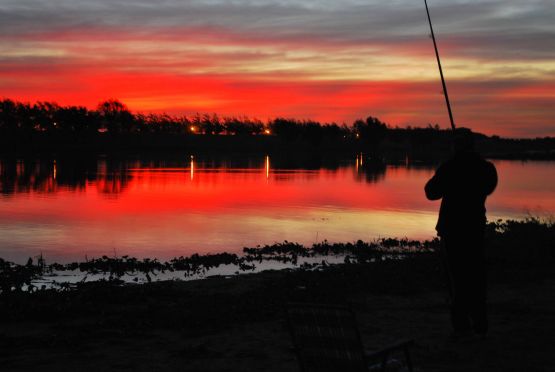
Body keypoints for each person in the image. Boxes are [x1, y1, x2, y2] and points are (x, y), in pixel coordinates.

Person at [425, 129, 498, 337]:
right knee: (476, 274)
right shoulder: (486, 168)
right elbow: (490, 186)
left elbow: (430, 192)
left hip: (453, 230)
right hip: (474, 228)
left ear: (456, 146)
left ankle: (462, 325)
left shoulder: (449, 168)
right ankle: (480, 322)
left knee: (457, 277)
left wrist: (448, 167)